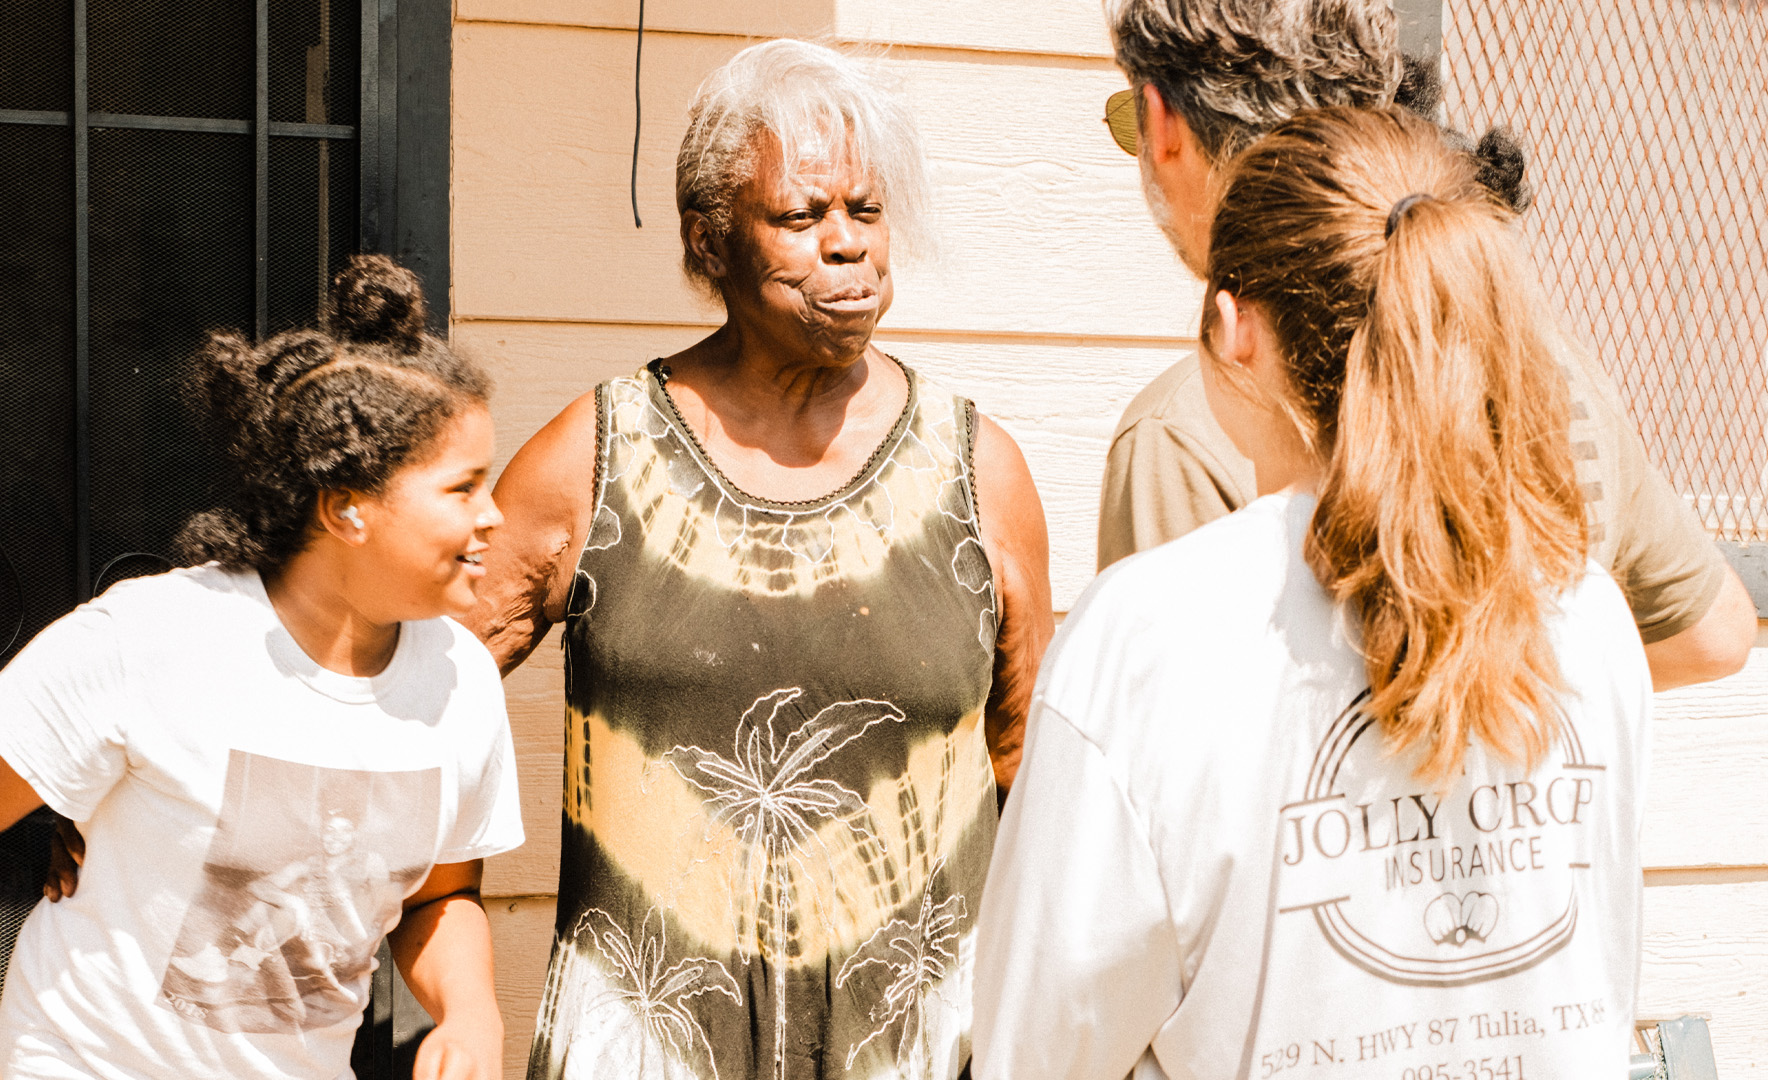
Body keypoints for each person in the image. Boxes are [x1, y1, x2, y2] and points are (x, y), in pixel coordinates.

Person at [975, 106, 1652, 1080]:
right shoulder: (1584, 612)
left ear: (1232, 326)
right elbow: (1598, 985)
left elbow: (1040, 1050)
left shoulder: (1147, 638)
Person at [472, 39, 1053, 1080]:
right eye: (800, 217)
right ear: (709, 240)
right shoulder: (596, 456)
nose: (848, 248)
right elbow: (431, 688)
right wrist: (452, 961)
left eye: (866, 214)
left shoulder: (979, 472)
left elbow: (1027, 773)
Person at [0, 256, 524, 1080]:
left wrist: (471, 1015)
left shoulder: (462, 684)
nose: (494, 515)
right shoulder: (154, 638)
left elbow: (439, 896)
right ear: (348, 509)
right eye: (463, 488)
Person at [1094, 0, 1757, 691]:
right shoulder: (1543, 358)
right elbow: (1716, 635)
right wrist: (1516, 694)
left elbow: (1179, 745)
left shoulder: (1187, 423)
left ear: (1161, 122)